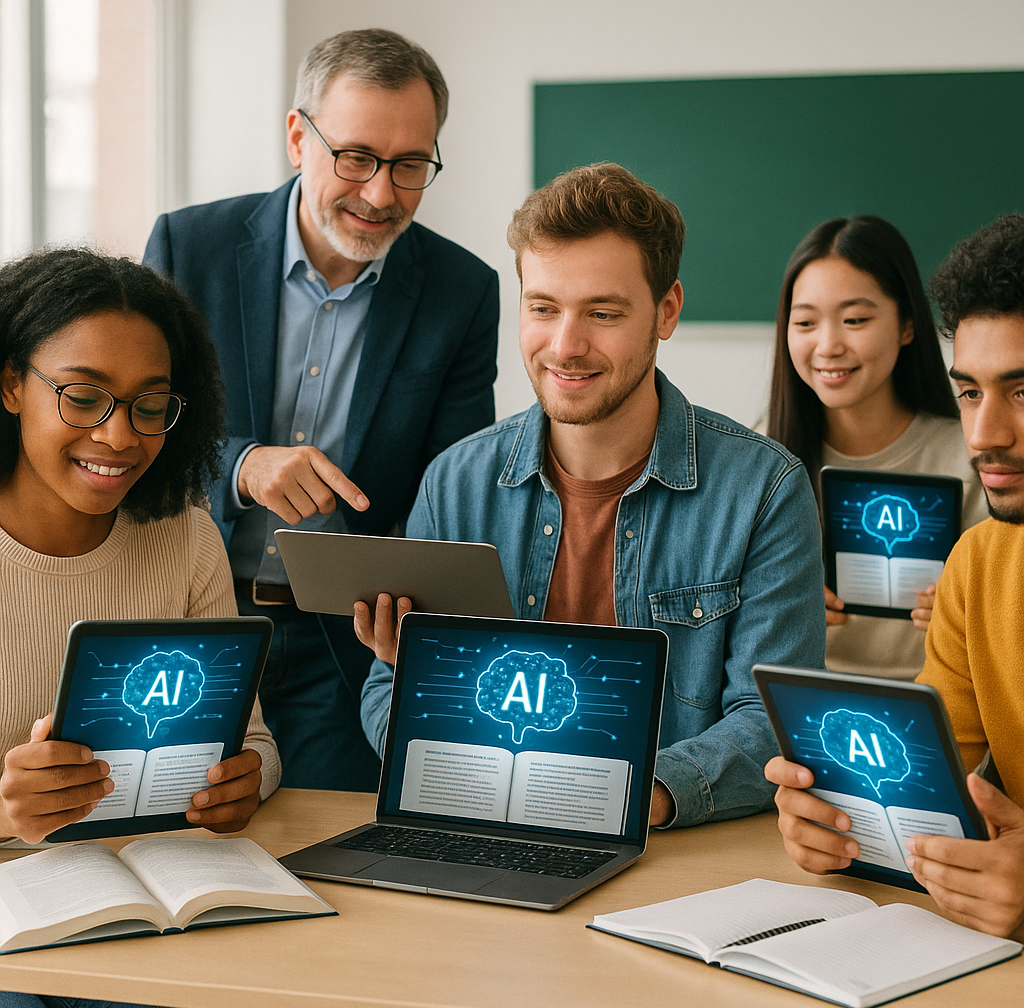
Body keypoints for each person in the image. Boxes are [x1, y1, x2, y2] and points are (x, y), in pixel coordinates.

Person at [358, 163, 826, 828]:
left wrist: (629, 799)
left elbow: (773, 719)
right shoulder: (455, 482)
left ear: (666, 311)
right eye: (543, 309)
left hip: (669, 849)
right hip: (485, 826)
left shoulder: (765, 489)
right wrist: (418, 691)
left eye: (602, 313)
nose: (566, 346)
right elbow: (383, 696)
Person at [143, 28, 499, 791]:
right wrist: (241, 464)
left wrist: (413, 600)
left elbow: (456, 486)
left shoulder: (461, 290)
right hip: (191, 617)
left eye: (410, 166)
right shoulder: (188, 247)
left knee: (331, 861)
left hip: (348, 646)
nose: (381, 194)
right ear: (298, 136)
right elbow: (137, 434)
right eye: (358, 158)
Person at [0, 248, 288, 1008]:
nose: (120, 436)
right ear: (10, 383)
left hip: (131, 896)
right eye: (85, 397)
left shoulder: (184, 537)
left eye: (149, 404)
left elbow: (255, 741)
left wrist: (242, 784)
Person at [766, 213, 1024, 939]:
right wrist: (839, 818)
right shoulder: (979, 563)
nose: (984, 435)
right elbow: (936, 793)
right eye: (969, 392)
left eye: (1023, 391)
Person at [765, 216, 987, 680]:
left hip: (938, 703)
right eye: (804, 322)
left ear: (907, 324)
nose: (828, 346)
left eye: (855, 320)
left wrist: (964, 612)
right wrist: (771, 606)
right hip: (800, 701)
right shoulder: (762, 454)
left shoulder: (976, 454)